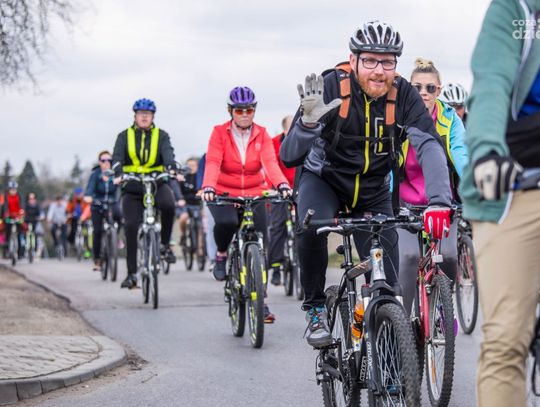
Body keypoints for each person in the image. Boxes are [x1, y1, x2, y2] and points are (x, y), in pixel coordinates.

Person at [280, 21, 453, 347]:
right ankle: (315, 307)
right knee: (309, 227)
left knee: (389, 286)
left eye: (387, 62)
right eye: (370, 61)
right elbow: (289, 156)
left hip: (373, 190)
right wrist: (307, 124)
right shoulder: (331, 86)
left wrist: (439, 201)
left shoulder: (404, 95)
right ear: (353, 60)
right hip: (325, 181)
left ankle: (387, 352)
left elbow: (429, 145)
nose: (379, 71)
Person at [459, 0, 540, 405]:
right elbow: (491, 84)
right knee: (506, 340)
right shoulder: (518, 11)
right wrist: (488, 154)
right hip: (518, 181)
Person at [202, 86, 291, 323]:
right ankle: (222, 254)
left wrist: (282, 184)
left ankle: (262, 301)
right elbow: (213, 161)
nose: (244, 114)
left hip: (254, 191)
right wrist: (209, 186)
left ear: (254, 111)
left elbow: (270, 163)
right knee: (227, 223)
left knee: (262, 241)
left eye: (249, 110)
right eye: (239, 110)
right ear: (231, 111)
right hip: (224, 191)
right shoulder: (219, 133)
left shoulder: (261, 133)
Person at [397, 58, 468, 315]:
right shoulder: (398, 117)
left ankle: (442, 308)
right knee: (408, 257)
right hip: (405, 203)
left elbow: (461, 154)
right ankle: (402, 322)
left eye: (430, 88)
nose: (423, 93)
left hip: (442, 201)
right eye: (416, 88)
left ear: (439, 90)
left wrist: (475, 187)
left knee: (448, 256)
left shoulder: (450, 120)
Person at [112, 98, 181, 289]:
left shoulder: (162, 136)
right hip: (133, 187)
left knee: (169, 205)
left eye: (148, 114)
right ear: (135, 116)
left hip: (156, 183)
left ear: (153, 117)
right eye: (141, 114)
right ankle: (132, 274)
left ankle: (164, 245)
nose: (144, 117)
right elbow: (117, 158)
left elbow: (168, 155)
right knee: (131, 226)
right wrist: (118, 173)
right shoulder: (124, 136)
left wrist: (172, 169)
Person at [267, 115, 295, 285]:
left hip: (299, 188)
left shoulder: (304, 140)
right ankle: (276, 267)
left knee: (305, 225)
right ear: (284, 129)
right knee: (277, 226)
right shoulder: (273, 143)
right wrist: (273, 187)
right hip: (279, 189)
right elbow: (270, 166)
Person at [84, 150, 122, 270]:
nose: (106, 162)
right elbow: (90, 188)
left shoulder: (115, 173)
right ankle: (97, 259)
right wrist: (88, 196)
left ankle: (116, 237)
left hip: (112, 203)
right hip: (97, 205)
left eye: (109, 160)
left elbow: (120, 188)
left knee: (121, 216)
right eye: (103, 160)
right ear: (99, 162)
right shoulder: (95, 174)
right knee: (97, 231)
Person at [178, 157, 201, 248]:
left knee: (201, 226)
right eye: (189, 165)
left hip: (198, 205)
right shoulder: (183, 178)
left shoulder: (200, 177)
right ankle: (183, 235)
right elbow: (178, 191)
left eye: (193, 165)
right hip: (185, 205)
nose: (191, 167)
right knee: (183, 217)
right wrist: (180, 199)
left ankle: (200, 248)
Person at [3, 181, 25, 258]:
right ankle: (6, 249)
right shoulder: (6, 196)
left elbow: (22, 206)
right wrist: (6, 214)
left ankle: (19, 253)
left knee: (19, 233)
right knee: (7, 231)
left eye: (14, 189)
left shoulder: (19, 196)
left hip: (18, 216)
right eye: (11, 189)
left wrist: (21, 212)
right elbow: (5, 206)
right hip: (9, 216)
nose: (13, 191)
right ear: (9, 189)